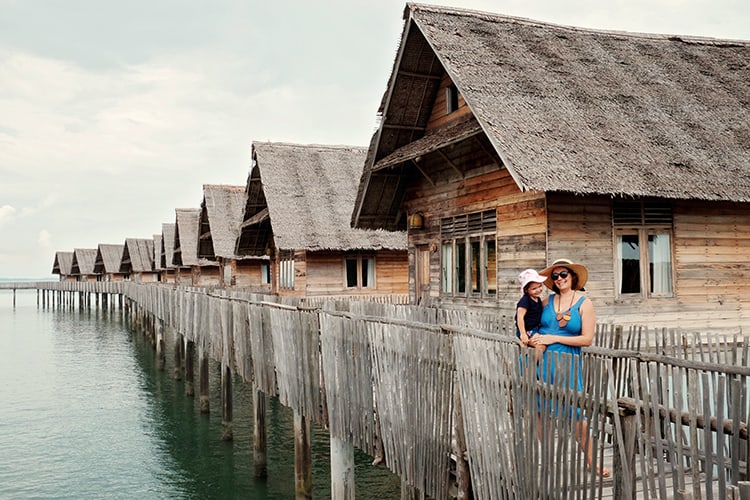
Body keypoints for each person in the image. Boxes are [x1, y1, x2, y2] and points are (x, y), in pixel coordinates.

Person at [528, 258, 611, 478]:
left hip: (567, 363)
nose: (559, 279)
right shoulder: (546, 301)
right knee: (541, 411)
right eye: (554, 276)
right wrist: (530, 337)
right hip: (541, 361)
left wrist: (553, 337)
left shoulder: (584, 303)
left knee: (575, 414)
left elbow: (587, 339)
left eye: (563, 274)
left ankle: (592, 461)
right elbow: (530, 324)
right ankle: (547, 457)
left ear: (573, 276)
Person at [515, 268, 547, 362]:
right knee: (541, 346)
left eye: (540, 286)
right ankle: (529, 366)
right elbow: (519, 317)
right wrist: (523, 334)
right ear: (526, 290)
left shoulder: (538, 299)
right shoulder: (525, 300)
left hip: (535, 328)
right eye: (534, 289)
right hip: (527, 330)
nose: (538, 290)